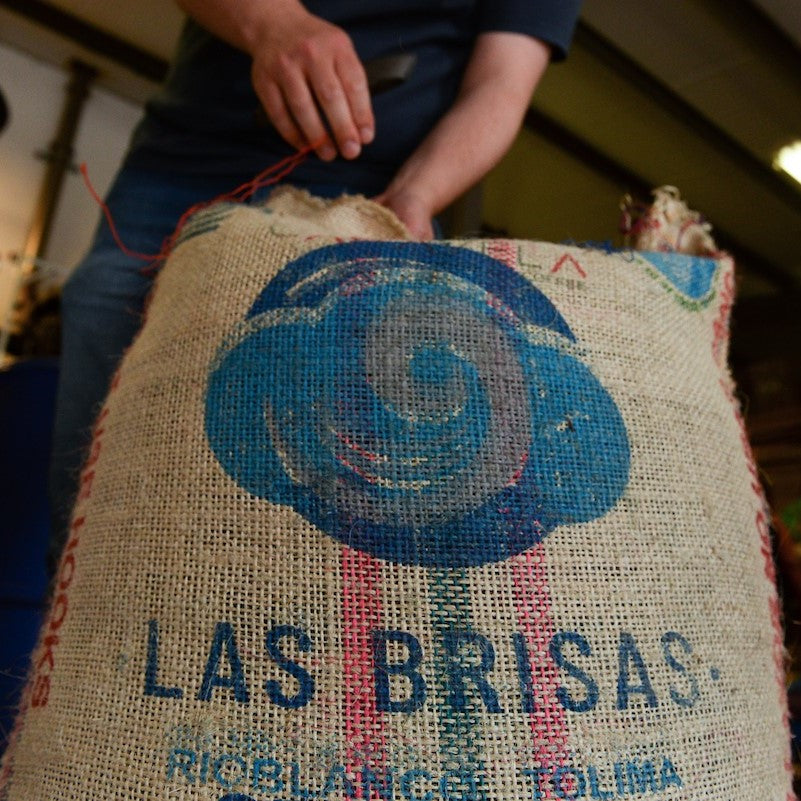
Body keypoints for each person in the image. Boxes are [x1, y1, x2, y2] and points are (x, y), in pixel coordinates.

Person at [47, 0, 583, 571]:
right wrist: (270, 22)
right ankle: (85, 606)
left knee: (358, 456)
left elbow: (501, 84)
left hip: (374, 194)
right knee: (105, 345)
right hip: (187, 164)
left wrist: (416, 197)